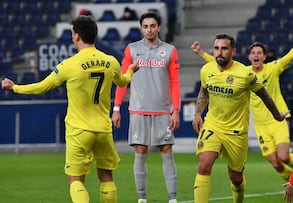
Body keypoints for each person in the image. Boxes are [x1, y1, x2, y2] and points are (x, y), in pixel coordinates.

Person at [1, 15, 139, 203]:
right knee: (106, 177)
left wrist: (14, 87)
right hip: (103, 130)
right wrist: (131, 70)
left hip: (79, 130)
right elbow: (123, 81)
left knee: (76, 180)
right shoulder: (111, 61)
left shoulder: (69, 65)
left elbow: (42, 87)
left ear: (76, 36)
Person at [191, 28, 293, 198]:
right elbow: (214, 67)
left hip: (274, 122)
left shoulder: (268, 69)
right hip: (254, 125)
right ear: (249, 56)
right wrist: (200, 53)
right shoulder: (228, 71)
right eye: (253, 53)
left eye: (259, 53)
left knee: (283, 157)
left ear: (264, 57)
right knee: (275, 163)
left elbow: (290, 55)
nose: (256, 55)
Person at [111, 12, 180, 203]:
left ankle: (172, 199)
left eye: (152, 26)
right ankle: (142, 198)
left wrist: (176, 110)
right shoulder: (132, 50)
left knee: (167, 152)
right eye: (145, 26)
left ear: (159, 27)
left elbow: (174, 82)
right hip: (138, 110)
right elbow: (121, 80)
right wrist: (116, 109)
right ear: (141, 28)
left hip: (163, 111)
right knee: (140, 153)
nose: (149, 29)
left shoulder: (170, 50)